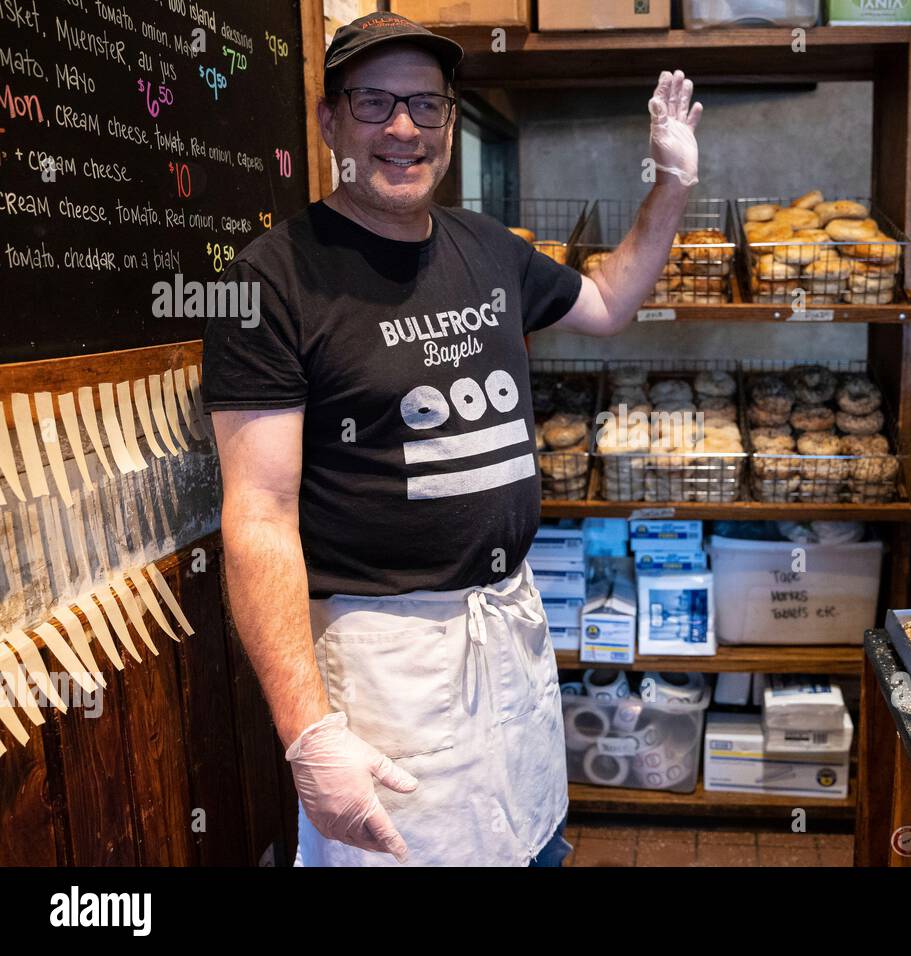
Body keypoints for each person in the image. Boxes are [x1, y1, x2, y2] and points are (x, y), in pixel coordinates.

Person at [200, 12, 703, 866]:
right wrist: (308, 733)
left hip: (508, 623)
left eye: (426, 107)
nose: (403, 128)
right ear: (329, 122)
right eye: (374, 103)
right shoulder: (268, 280)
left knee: (531, 843)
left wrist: (673, 184)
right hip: (386, 661)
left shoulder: (487, 246)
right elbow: (257, 514)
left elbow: (611, 302)